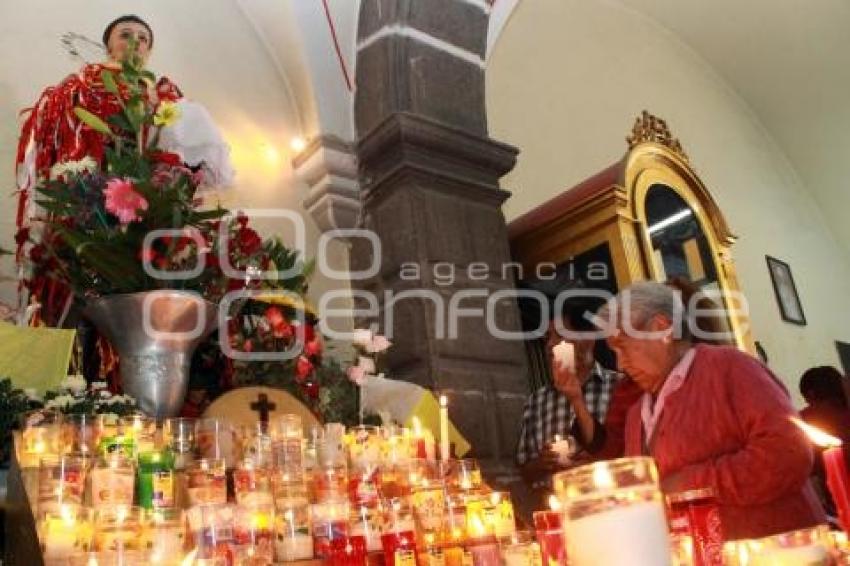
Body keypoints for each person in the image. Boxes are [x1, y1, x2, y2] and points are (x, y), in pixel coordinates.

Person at [15, 15, 233, 327]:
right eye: (125, 34)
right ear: (109, 46)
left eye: (143, 38)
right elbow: (60, 135)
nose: (135, 41)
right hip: (91, 208)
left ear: (149, 52)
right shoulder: (81, 85)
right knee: (76, 302)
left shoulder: (165, 95)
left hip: (145, 215)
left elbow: (185, 157)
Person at [598, 281, 824, 539]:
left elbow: (787, 454)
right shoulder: (636, 414)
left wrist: (686, 485)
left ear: (662, 328)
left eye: (622, 345)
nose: (619, 363)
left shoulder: (731, 368)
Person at [516, 303, 622, 496]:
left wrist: (599, 460)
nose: (549, 345)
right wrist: (542, 462)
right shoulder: (537, 401)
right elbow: (524, 471)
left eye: (560, 335)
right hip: (557, 507)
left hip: (612, 501)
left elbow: (637, 453)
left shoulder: (621, 387)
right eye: (547, 338)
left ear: (588, 339)